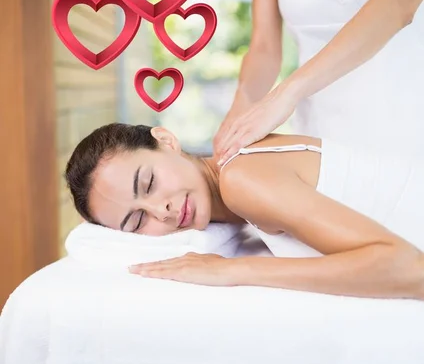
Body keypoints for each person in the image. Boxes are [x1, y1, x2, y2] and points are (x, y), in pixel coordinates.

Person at [65, 123, 424, 301]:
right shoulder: (235, 185)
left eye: (148, 183)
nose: (163, 211)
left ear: (167, 141)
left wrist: (231, 270)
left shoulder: (242, 179)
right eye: (137, 220)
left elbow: (409, 268)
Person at [213, 0, 424, 166]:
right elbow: (264, 47)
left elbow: (401, 2)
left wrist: (286, 94)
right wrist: (241, 110)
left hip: (412, 121)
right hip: (324, 142)